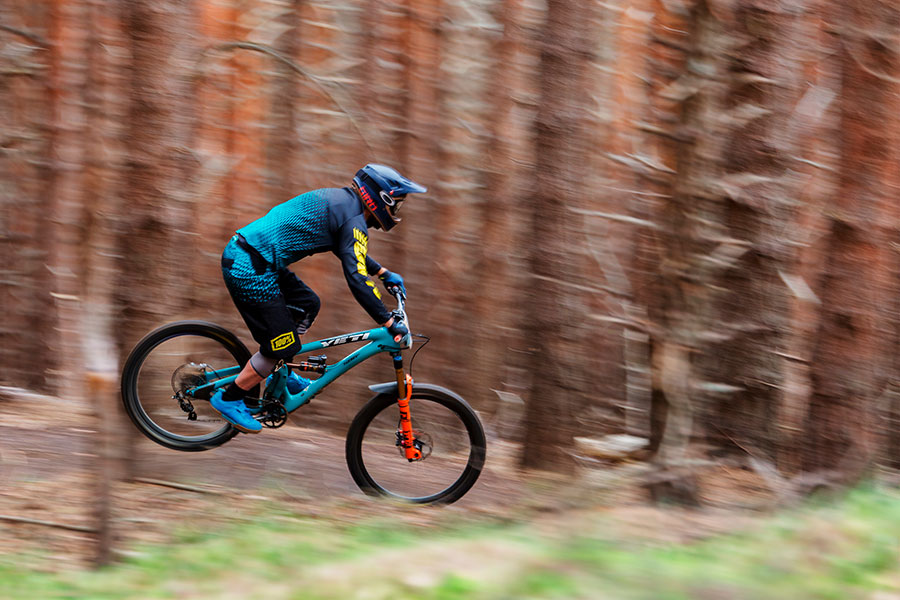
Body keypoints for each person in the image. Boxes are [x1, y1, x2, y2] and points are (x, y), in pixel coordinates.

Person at [212, 164, 427, 433]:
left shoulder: (345, 205)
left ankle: (283, 372)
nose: (396, 211)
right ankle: (229, 398)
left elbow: (350, 250)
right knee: (282, 345)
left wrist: (382, 272)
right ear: (381, 198)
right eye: (396, 204)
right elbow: (357, 278)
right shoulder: (353, 219)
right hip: (249, 266)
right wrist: (386, 320)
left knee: (307, 305)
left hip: (255, 258)